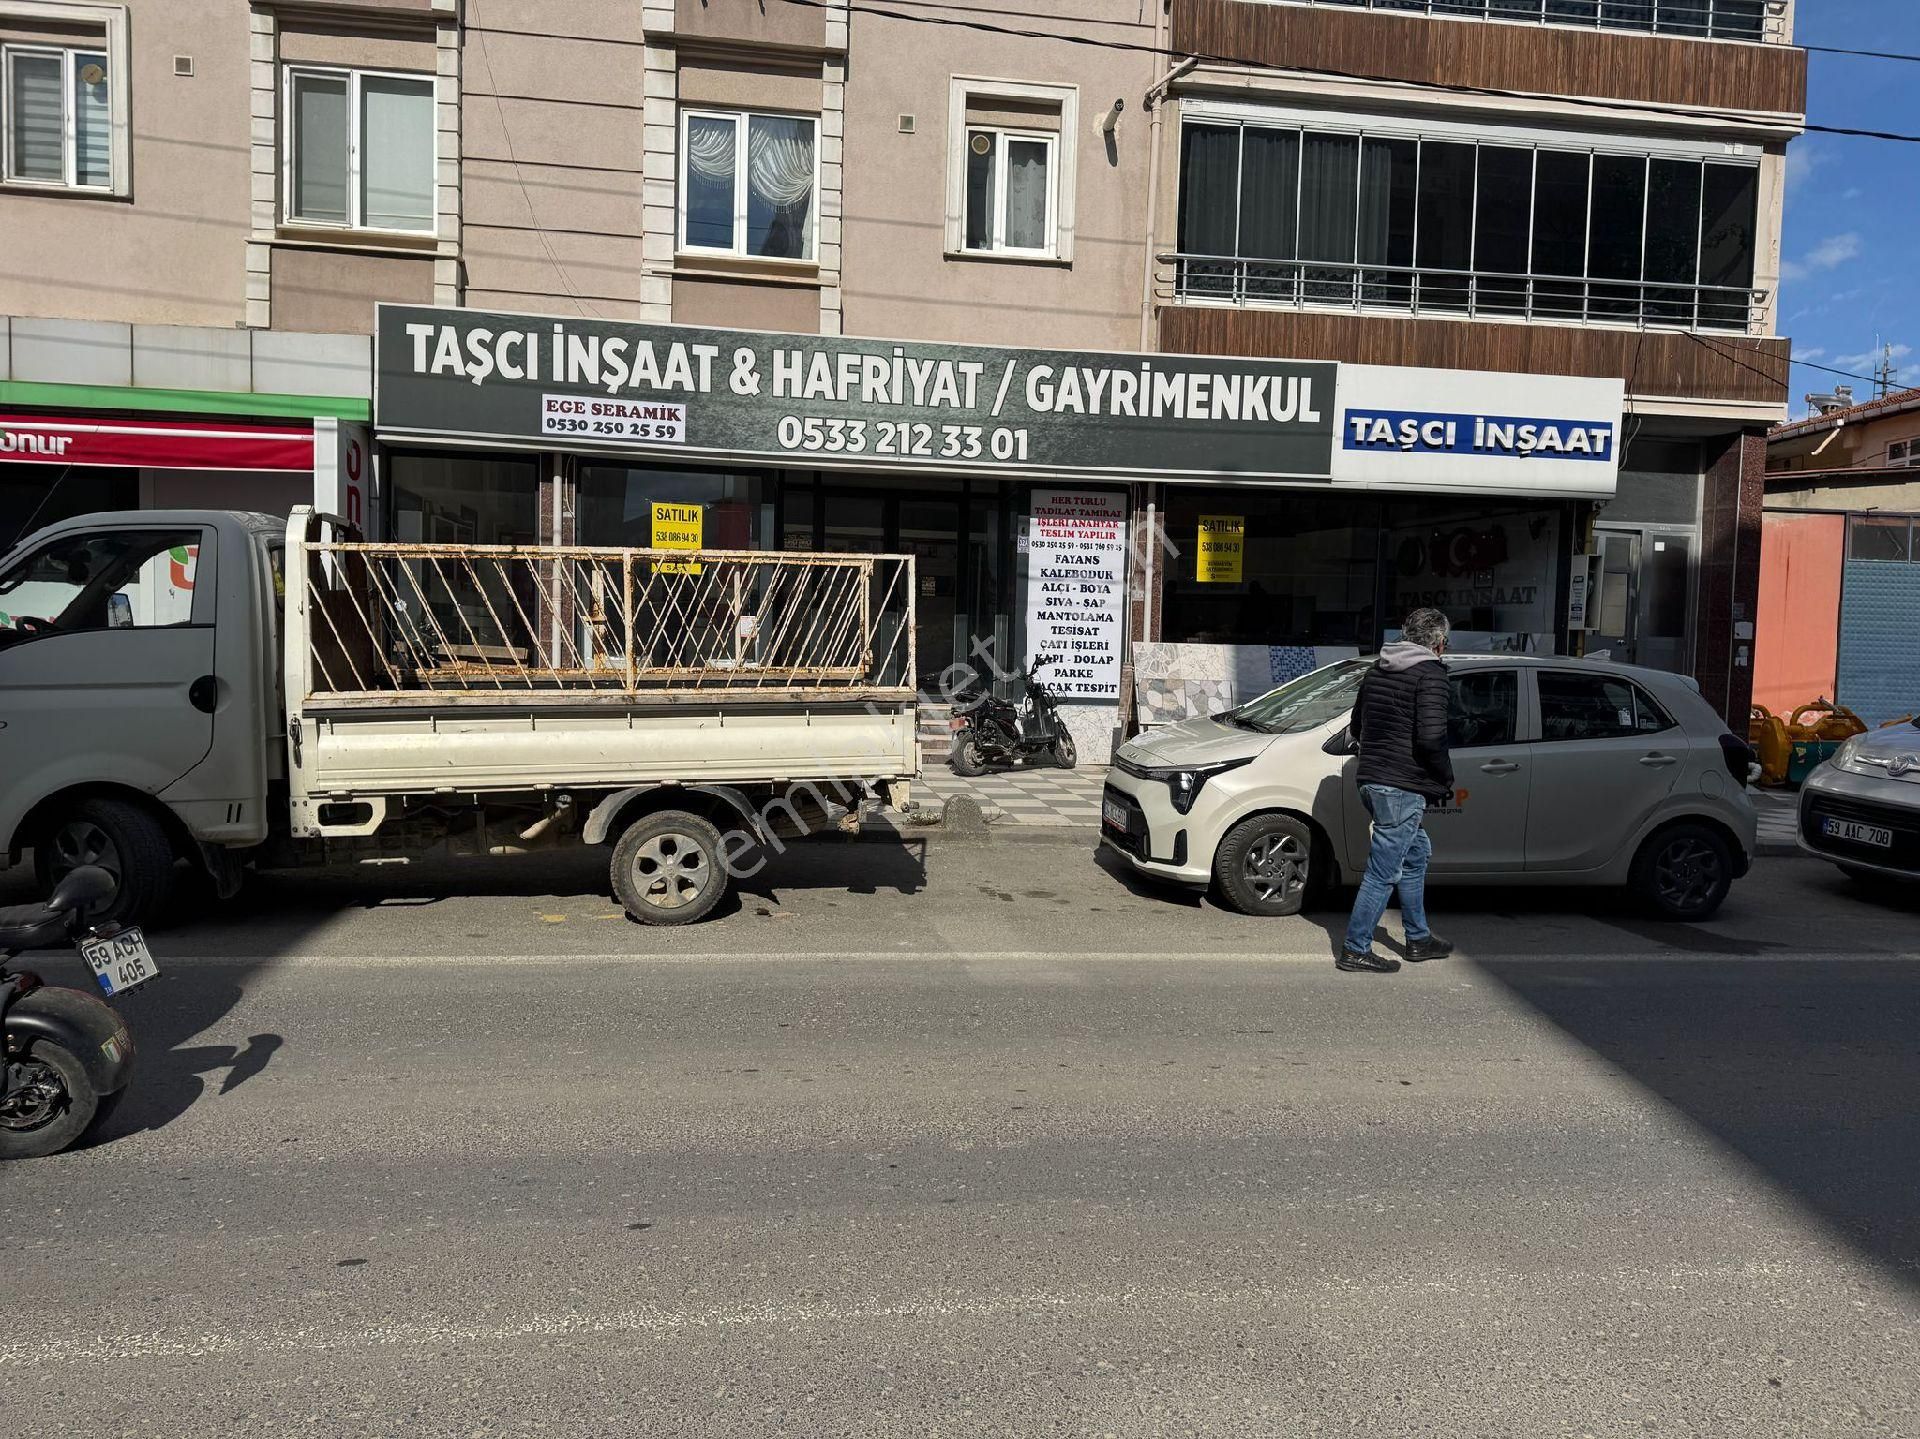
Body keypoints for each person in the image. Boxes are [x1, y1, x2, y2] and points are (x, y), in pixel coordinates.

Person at [1339, 608, 1457, 974]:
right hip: (1401, 786)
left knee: (1416, 853)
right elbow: (1432, 737)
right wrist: (1445, 779)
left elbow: (1357, 725)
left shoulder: (1378, 669)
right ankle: (1355, 948)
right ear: (1438, 643)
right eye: (1445, 644)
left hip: (1371, 779)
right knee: (1383, 871)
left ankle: (1418, 938)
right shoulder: (1431, 675)